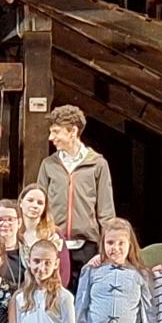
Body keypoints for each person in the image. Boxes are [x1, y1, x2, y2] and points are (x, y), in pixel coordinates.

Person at [36, 106, 115, 290]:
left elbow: (106, 210)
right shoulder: (48, 164)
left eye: (56, 132)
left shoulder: (98, 164)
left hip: (87, 246)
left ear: (73, 131)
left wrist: (106, 245)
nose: (51, 138)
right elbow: (39, 206)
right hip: (55, 243)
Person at [17, 184, 70, 287]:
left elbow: (64, 269)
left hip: (48, 290)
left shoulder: (54, 234)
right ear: (21, 202)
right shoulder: (14, 233)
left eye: (40, 203)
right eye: (30, 200)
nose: (35, 205)